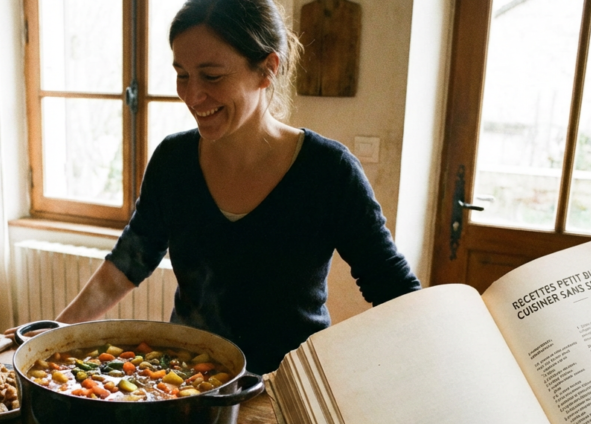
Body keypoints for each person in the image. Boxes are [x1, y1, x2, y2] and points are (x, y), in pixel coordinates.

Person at [25, 0, 420, 374]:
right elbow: (126, 265)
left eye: (212, 76)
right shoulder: (173, 160)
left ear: (267, 69)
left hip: (284, 390)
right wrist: (57, 333)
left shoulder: (328, 171)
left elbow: (392, 286)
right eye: (182, 74)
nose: (193, 95)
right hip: (183, 380)